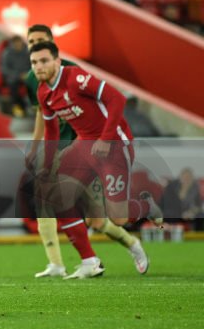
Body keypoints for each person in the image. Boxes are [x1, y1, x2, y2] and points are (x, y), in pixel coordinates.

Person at [23, 24, 148, 278]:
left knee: (119, 217)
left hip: (113, 144)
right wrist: (47, 165)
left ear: (57, 60)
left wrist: (105, 138)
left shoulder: (76, 77)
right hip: (84, 145)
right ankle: (89, 261)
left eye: (44, 60)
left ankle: (146, 214)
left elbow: (117, 99)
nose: (39, 66)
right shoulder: (43, 91)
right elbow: (52, 133)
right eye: (34, 62)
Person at [0, 35, 30, 117]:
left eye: (19, 43)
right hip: (12, 77)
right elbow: (4, 69)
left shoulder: (28, 53)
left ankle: (33, 107)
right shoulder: (7, 53)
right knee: (13, 86)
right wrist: (18, 75)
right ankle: (17, 107)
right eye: (15, 43)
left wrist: (27, 74)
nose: (18, 45)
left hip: (26, 75)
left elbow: (32, 66)